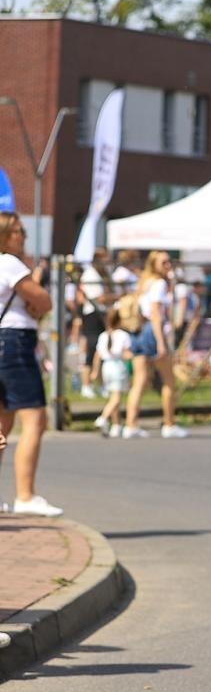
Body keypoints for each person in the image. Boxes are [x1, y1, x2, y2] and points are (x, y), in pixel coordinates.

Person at [0, 212, 63, 516]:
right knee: (34, 418)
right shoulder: (9, 263)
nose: (23, 236)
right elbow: (44, 301)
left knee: (3, 423)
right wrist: (35, 289)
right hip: (13, 342)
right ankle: (25, 495)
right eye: (17, 231)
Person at [123, 249, 188, 439]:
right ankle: (169, 423)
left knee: (140, 380)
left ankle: (131, 423)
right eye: (164, 263)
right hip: (153, 331)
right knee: (168, 380)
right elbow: (155, 314)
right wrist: (161, 343)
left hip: (138, 331)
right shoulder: (159, 284)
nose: (168, 266)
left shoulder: (145, 282)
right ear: (154, 265)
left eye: (169, 262)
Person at [91, 302, 133, 437]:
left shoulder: (103, 335)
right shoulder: (123, 335)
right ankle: (103, 418)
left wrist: (95, 371)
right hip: (117, 366)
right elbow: (126, 353)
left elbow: (97, 355)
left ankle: (116, 425)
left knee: (113, 396)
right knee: (116, 398)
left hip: (106, 366)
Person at [77, 247, 112, 396]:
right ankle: (86, 385)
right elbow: (99, 297)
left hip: (100, 314)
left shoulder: (100, 273)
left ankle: (100, 383)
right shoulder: (90, 274)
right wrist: (118, 295)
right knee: (91, 350)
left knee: (102, 350)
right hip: (92, 315)